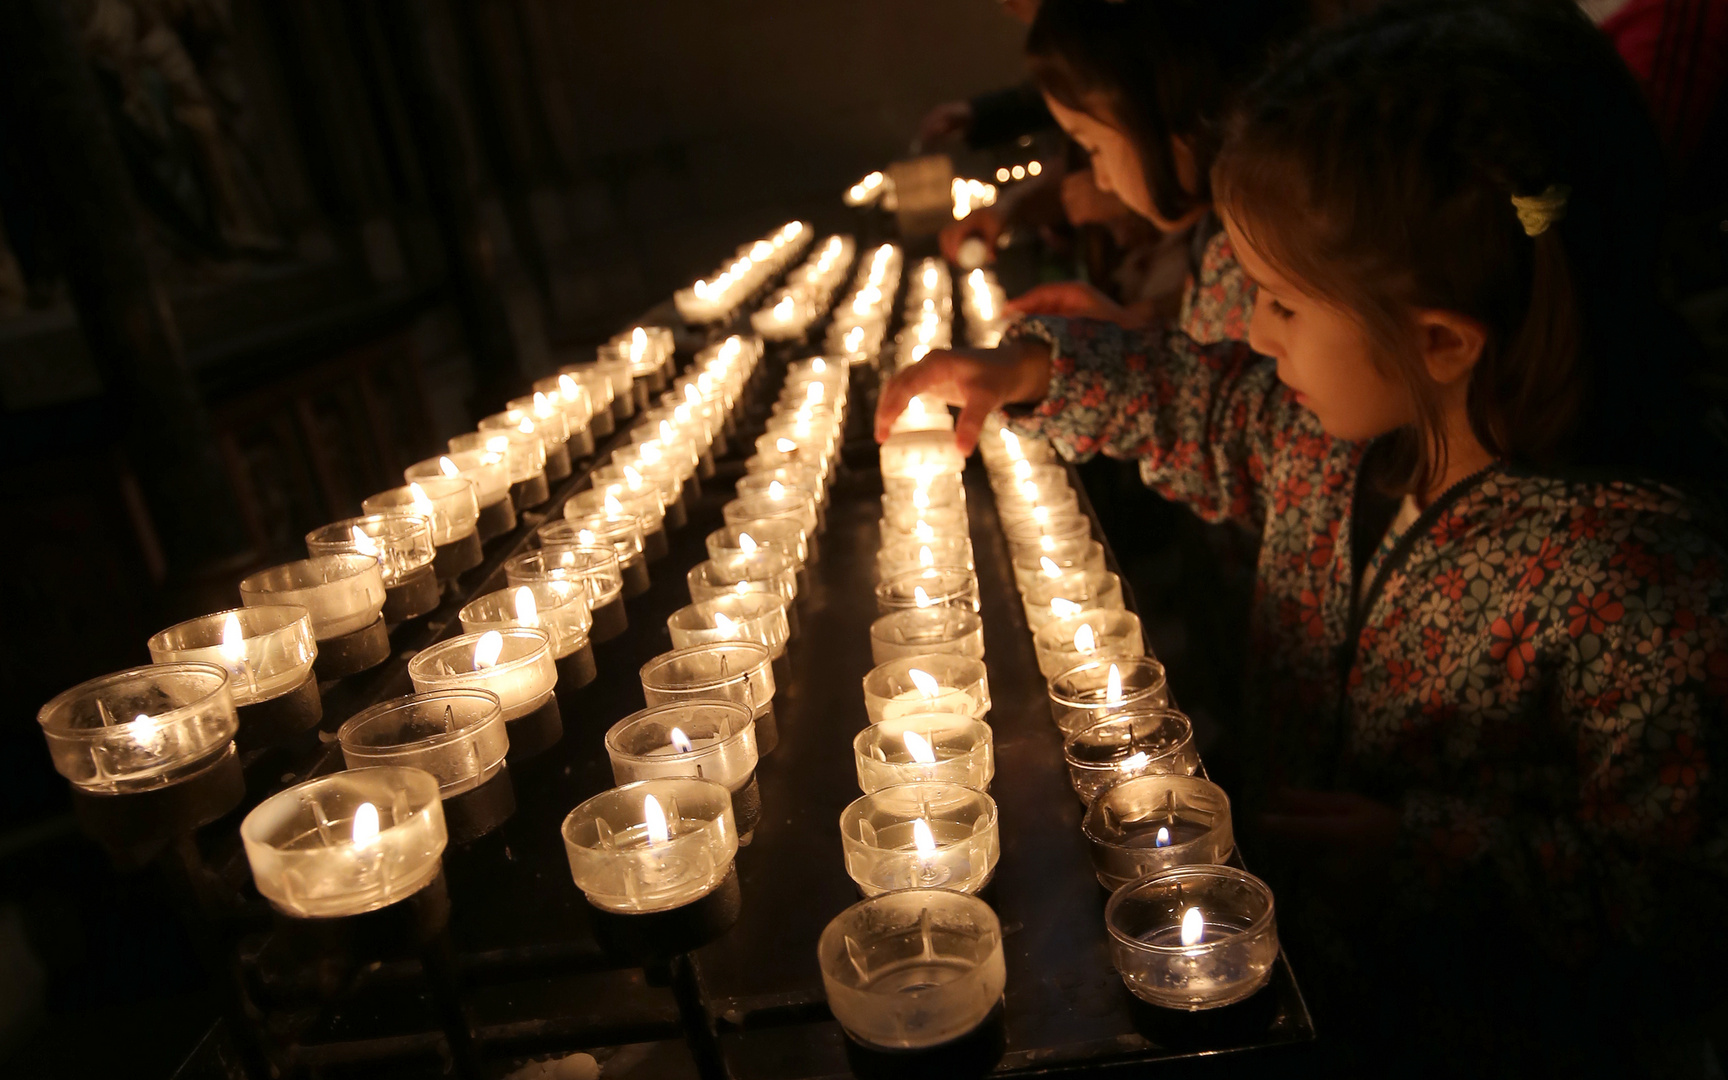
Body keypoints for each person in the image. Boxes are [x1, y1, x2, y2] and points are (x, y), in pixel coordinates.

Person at [878, 0, 1728, 1071]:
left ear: (1438, 339)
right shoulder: (1335, 444)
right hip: (1303, 964)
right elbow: (1205, 402)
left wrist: (1424, 854)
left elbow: (1682, 891)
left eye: (1277, 302)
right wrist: (1041, 369)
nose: (1249, 331)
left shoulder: (1638, 582)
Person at [1005, 0, 1308, 341]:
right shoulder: (1219, 236)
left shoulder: (1266, 252)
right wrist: (1133, 326)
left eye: (1095, 149)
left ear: (1163, 107)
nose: (1101, 180)